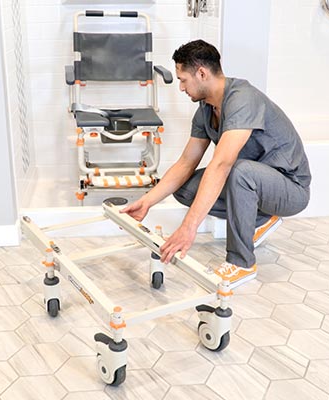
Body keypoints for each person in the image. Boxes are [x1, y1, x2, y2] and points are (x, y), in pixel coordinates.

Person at [121, 39, 311, 288]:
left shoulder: (243, 99)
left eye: (183, 79)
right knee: (186, 187)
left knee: (239, 171)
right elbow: (186, 163)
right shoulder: (206, 109)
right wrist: (147, 201)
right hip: (254, 181)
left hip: (290, 187)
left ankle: (242, 263)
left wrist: (188, 227)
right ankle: (260, 219)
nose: (180, 87)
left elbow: (222, 165)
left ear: (201, 73)